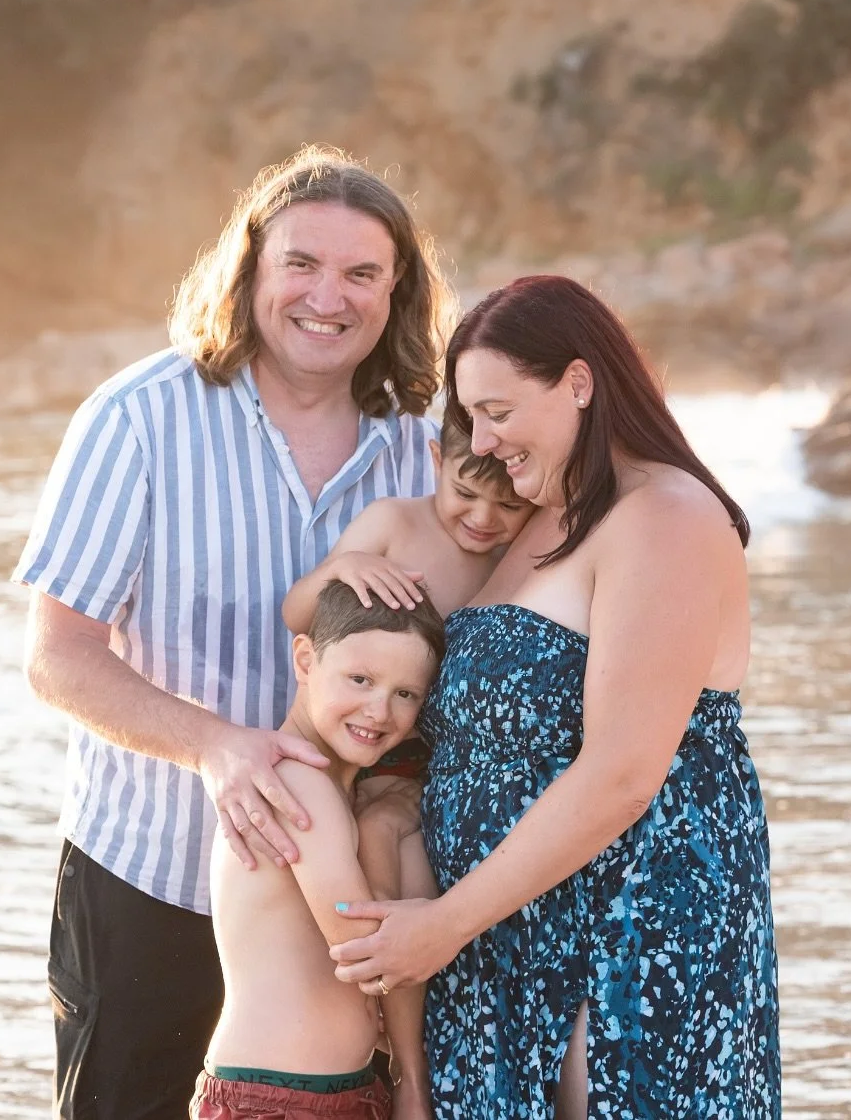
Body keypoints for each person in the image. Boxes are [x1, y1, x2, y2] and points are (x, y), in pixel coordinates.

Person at [12, 145, 456, 1120]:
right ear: (250, 269)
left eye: (361, 273)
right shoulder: (138, 418)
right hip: (153, 879)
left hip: (344, 926)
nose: (326, 296)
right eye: (300, 263)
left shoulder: (424, 451)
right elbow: (57, 657)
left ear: (397, 293)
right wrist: (217, 748)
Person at [327, 275, 781, 1119]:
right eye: (471, 418)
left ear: (578, 382)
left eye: (499, 410)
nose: (485, 440)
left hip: (624, 929)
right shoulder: (532, 518)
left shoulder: (667, 516)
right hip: (503, 935)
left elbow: (625, 772)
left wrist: (447, 922)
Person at [191, 580, 446, 1120]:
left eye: (406, 694)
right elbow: (364, 951)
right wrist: (387, 831)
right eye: (360, 679)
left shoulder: (339, 789)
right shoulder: (296, 782)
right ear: (306, 659)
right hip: (273, 1100)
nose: (379, 710)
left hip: (333, 1089)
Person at [282, 408, 535, 630]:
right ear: (438, 460)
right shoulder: (392, 522)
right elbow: (296, 616)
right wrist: (341, 568)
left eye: (509, 506)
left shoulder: (518, 552)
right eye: (465, 493)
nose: (482, 519)